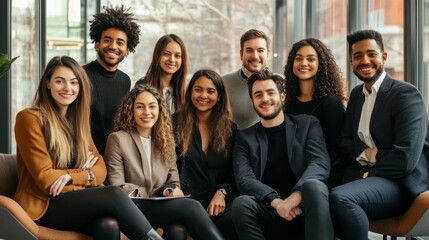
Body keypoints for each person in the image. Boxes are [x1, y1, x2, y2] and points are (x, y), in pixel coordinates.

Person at [14, 56, 164, 240]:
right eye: (59, 81)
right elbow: (46, 179)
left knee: (108, 224)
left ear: (80, 87)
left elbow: (101, 170)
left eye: (74, 82)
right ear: (47, 83)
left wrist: (71, 177)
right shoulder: (30, 118)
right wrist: (83, 173)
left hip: (72, 204)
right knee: (114, 193)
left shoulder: (78, 123)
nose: (67, 88)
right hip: (44, 206)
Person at [330, 29, 429, 240]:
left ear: (383, 57)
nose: (365, 60)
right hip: (365, 179)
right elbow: (345, 143)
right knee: (317, 196)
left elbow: (405, 160)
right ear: (351, 62)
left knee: (341, 198)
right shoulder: (357, 95)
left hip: (402, 184)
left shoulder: (405, 94)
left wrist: (370, 161)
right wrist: (371, 153)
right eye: (358, 56)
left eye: (371, 54)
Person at [104, 84, 225, 240]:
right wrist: (151, 194)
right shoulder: (118, 139)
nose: (147, 112)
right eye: (140, 107)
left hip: (157, 207)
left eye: (152, 106)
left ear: (159, 110)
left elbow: (173, 181)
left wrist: (169, 191)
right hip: (130, 208)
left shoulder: (166, 141)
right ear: (131, 110)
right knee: (192, 206)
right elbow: (116, 186)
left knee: (177, 229)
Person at [231, 69, 333, 240]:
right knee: (241, 204)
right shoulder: (244, 137)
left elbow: (319, 163)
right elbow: (244, 178)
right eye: (258, 95)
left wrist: (296, 195)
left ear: (282, 96)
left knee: (315, 186)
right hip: (270, 211)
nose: (264, 99)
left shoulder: (308, 124)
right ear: (252, 101)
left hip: (305, 210)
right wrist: (277, 202)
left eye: (270, 92)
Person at [175, 69, 238, 239]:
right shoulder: (175, 124)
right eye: (198, 89)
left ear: (219, 96)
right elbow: (166, 166)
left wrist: (223, 192)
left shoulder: (230, 129)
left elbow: (236, 172)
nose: (203, 95)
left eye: (210, 91)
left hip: (221, 203)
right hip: (187, 201)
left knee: (233, 220)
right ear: (190, 92)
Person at [283, 38, 347, 187]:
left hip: (323, 181)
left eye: (311, 59)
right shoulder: (289, 105)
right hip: (294, 178)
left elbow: (337, 151)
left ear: (321, 65)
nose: (303, 63)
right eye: (298, 59)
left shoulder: (331, 104)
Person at [84, 5, 140, 155]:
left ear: (128, 50)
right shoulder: (81, 75)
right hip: (85, 156)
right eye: (107, 40)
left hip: (115, 156)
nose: (113, 46)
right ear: (97, 44)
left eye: (120, 42)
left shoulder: (125, 81)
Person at [223, 29, 272, 130]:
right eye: (249, 50)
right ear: (241, 54)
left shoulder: (280, 83)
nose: (255, 56)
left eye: (260, 50)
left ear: (267, 54)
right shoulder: (224, 83)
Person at [135, 34, 188, 114]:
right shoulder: (143, 85)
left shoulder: (185, 89)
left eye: (177, 56)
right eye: (166, 54)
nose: (172, 60)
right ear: (157, 56)